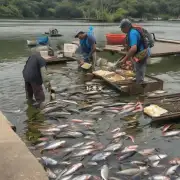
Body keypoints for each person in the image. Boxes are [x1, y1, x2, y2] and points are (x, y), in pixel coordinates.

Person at [119, 19, 151, 84]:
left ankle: (140, 85)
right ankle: (138, 79)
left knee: (140, 68)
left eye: (122, 28)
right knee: (136, 66)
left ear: (127, 27)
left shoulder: (132, 33)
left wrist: (124, 59)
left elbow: (133, 49)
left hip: (142, 53)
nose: (121, 30)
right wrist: (130, 59)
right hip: (140, 53)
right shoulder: (130, 32)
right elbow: (130, 49)